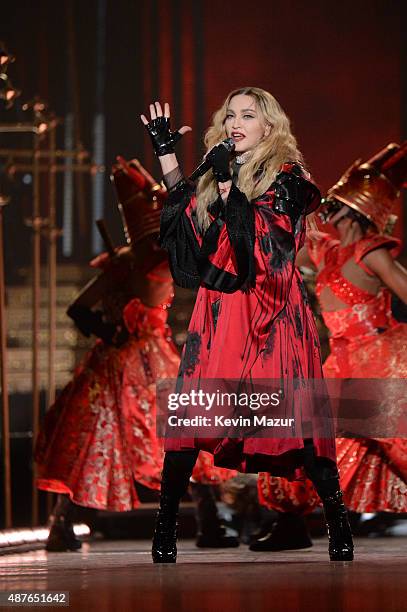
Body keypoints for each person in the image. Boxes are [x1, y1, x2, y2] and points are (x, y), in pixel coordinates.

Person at [141, 87, 354, 563]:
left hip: (271, 311)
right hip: (219, 311)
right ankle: (166, 530)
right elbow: (186, 223)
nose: (236, 122)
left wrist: (228, 191)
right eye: (230, 114)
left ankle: (338, 523)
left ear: (270, 126)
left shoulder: (289, 177)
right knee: (194, 417)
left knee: (297, 422)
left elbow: (267, 243)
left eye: (248, 115)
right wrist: (166, 153)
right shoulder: (220, 168)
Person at [35, 157, 237, 551]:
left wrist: (107, 332)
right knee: (184, 436)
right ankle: (210, 521)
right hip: (146, 361)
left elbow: (78, 308)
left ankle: (60, 524)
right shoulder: (160, 262)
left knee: (91, 442)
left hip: (108, 360)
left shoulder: (123, 263)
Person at [254, 142, 407, 551]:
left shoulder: (371, 253)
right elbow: (279, 253)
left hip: (379, 359)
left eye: (338, 204)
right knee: (300, 434)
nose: (330, 211)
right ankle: (291, 523)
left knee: (399, 444)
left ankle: (296, 523)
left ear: (356, 210)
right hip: (341, 361)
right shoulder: (326, 252)